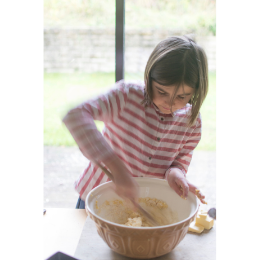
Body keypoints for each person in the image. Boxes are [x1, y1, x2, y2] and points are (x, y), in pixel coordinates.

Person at [63, 35, 208, 209]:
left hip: (141, 205)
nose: (169, 103)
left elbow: (179, 162)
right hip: (95, 197)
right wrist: (116, 168)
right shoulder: (126, 96)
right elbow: (75, 115)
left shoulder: (192, 123)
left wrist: (176, 174)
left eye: (181, 97)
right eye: (161, 91)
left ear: (195, 92)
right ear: (149, 77)